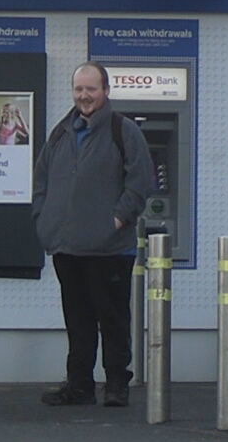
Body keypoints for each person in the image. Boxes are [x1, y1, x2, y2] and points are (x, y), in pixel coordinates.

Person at [32, 62, 155, 407]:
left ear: (105, 90)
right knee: (77, 319)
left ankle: (116, 384)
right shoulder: (61, 132)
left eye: (91, 89)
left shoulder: (124, 131)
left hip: (110, 249)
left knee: (113, 320)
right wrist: (44, 220)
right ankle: (80, 384)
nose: (84, 96)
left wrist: (115, 221)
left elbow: (140, 183)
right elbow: (40, 180)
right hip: (67, 246)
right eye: (79, 89)